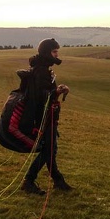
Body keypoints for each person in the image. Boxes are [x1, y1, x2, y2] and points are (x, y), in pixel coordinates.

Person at [20, 38, 72, 195]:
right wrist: (57, 91)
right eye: (54, 52)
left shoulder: (43, 68)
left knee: (50, 149)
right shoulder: (41, 70)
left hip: (48, 116)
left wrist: (57, 91)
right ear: (46, 53)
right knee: (49, 150)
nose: (56, 55)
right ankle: (28, 181)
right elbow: (42, 96)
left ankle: (58, 180)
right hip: (44, 117)